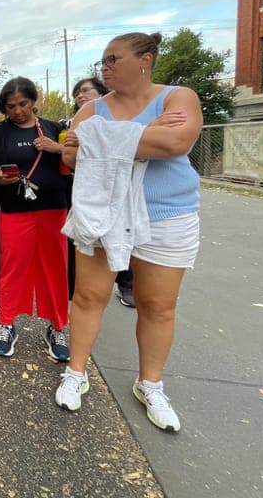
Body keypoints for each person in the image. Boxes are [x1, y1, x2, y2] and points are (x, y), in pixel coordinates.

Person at [55, 32, 202, 433]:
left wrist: (105, 138)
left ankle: (149, 384)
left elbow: (176, 142)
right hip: (103, 213)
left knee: (157, 305)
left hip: (166, 215)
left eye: (113, 58)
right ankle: (76, 371)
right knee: (89, 296)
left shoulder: (177, 97)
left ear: (145, 59)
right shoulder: (94, 108)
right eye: (102, 61)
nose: (104, 67)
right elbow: (69, 152)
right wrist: (144, 133)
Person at [0, 77, 71, 362]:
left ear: (33, 101)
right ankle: (7, 323)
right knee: (13, 267)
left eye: (23, 104)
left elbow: (73, 164)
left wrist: (59, 148)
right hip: (14, 210)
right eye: (11, 106)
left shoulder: (54, 128)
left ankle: (58, 327)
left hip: (54, 209)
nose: (18, 111)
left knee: (56, 268)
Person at [66, 78, 136, 308]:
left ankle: (126, 283)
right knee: (89, 241)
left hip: (123, 190)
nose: (80, 96)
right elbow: (68, 155)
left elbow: (137, 143)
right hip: (87, 191)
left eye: (86, 90)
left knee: (121, 237)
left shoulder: (124, 116)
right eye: (77, 93)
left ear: (103, 92)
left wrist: (89, 141)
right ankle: (83, 291)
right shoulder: (71, 123)